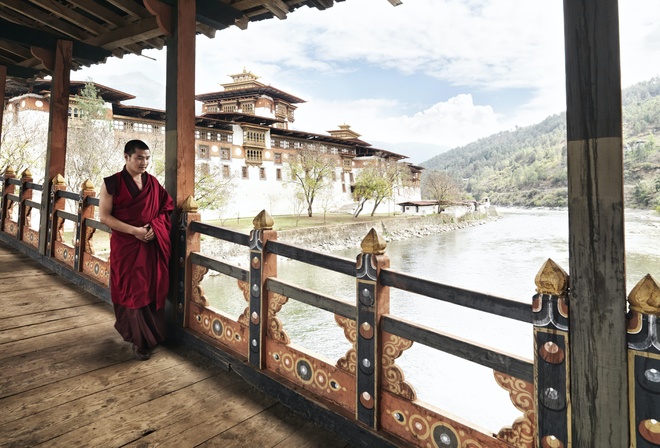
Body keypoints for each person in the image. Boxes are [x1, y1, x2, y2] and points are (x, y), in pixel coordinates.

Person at [99, 140, 174, 360]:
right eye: (139, 158)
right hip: (127, 247)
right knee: (133, 291)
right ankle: (140, 341)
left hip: (150, 245)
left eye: (147, 158)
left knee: (149, 288)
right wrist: (135, 231)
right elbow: (104, 217)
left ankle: (150, 335)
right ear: (126, 157)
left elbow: (166, 208)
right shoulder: (112, 183)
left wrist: (153, 227)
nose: (144, 162)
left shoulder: (152, 182)